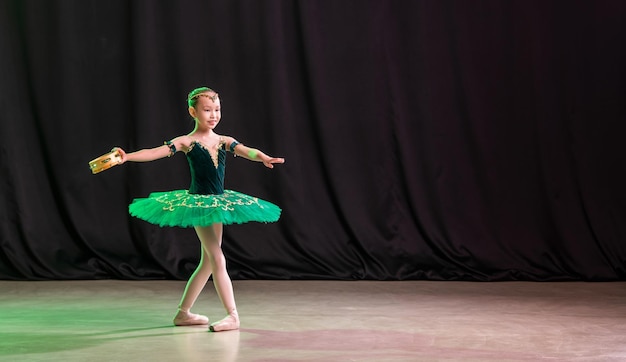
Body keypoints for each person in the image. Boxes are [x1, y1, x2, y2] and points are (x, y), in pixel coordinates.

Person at [112, 86, 284, 332]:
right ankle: (233, 315)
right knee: (217, 257)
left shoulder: (223, 141)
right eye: (207, 110)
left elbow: (247, 151)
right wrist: (127, 156)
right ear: (192, 111)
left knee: (207, 262)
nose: (213, 115)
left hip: (218, 202)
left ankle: (183, 313)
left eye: (217, 109)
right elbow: (154, 152)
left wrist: (263, 157)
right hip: (199, 204)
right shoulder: (186, 141)